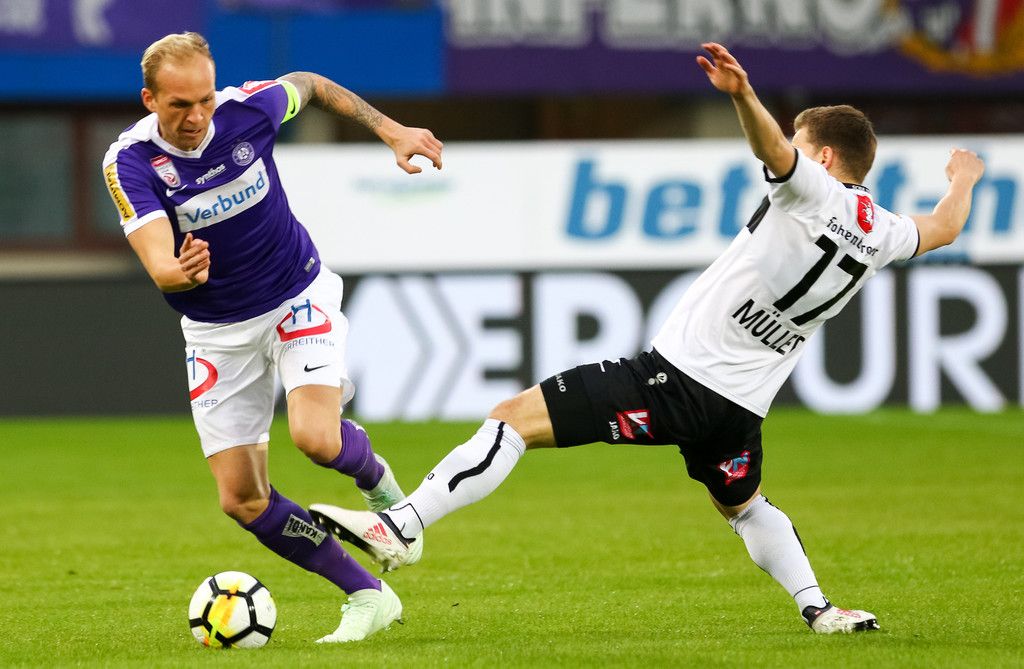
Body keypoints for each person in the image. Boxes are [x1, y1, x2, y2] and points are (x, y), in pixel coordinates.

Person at [309, 42, 986, 634]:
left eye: (804, 144)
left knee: (512, 419)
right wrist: (964, 180)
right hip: (739, 410)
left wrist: (743, 94)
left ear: (826, 156)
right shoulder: (882, 230)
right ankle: (819, 608)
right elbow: (946, 227)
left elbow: (773, 151)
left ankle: (401, 526)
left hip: (677, 381)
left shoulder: (813, 191)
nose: (795, 150)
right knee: (744, 506)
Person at [101, 32, 443, 643]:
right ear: (149, 100)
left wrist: (392, 132)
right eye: (179, 104)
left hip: (295, 294)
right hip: (216, 333)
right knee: (242, 498)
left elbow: (311, 84)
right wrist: (183, 272)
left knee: (315, 438)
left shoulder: (246, 110)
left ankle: (387, 499)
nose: (196, 116)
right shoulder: (129, 162)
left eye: (204, 99)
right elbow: (160, 267)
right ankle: (369, 593)